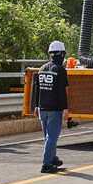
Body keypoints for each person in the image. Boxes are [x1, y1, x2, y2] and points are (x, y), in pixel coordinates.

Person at [33, 40, 70, 173]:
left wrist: (36, 105)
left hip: (42, 108)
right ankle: (46, 164)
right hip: (55, 109)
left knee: (48, 136)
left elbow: (37, 90)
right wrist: (65, 108)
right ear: (61, 54)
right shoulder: (60, 70)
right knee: (52, 137)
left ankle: (53, 158)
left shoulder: (42, 69)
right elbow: (62, 91)